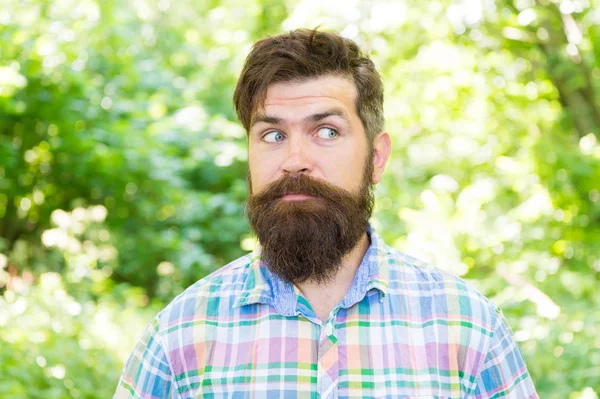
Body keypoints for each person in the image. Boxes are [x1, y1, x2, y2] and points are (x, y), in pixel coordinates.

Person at [114, 29, 538, 398]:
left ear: (376, 157)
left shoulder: (468, 328)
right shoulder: (179, 337)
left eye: (326, 131)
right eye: (273, 134)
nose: (294, 160)